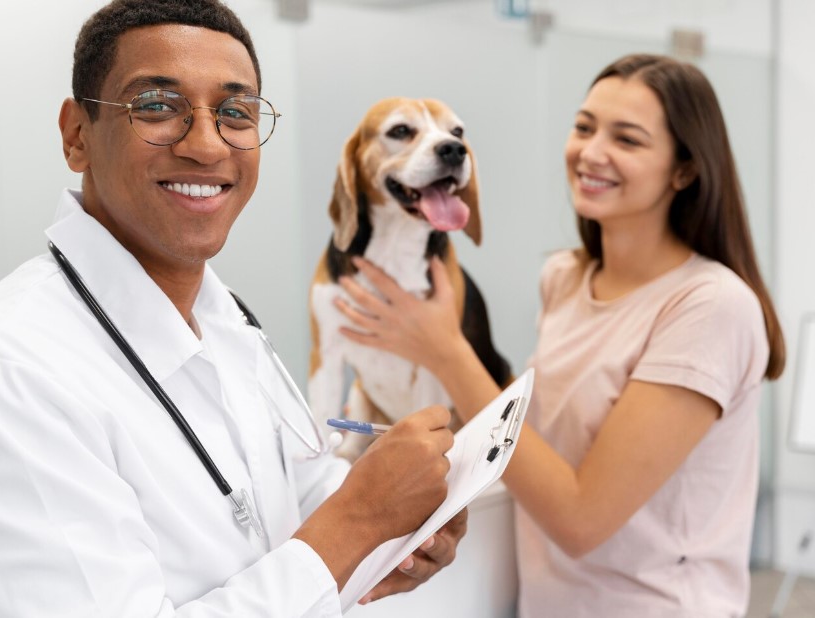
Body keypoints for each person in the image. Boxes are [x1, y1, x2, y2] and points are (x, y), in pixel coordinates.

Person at [0, 1, 466, 616]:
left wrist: (400, 527)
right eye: (158, 107)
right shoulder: (4, 374)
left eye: (235, 113)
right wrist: (360, 519)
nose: (207, 145)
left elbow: (297, 500)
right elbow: (332, 532)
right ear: (76, 135)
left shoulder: (227, 321)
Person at [334, 53, 786, 617]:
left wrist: (446, 349)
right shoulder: (565, 278)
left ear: (684, 170)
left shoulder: (710, 307)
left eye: (628, 139)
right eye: (584, 127)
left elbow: (580, 519)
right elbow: (541, 450)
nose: (592, 153)